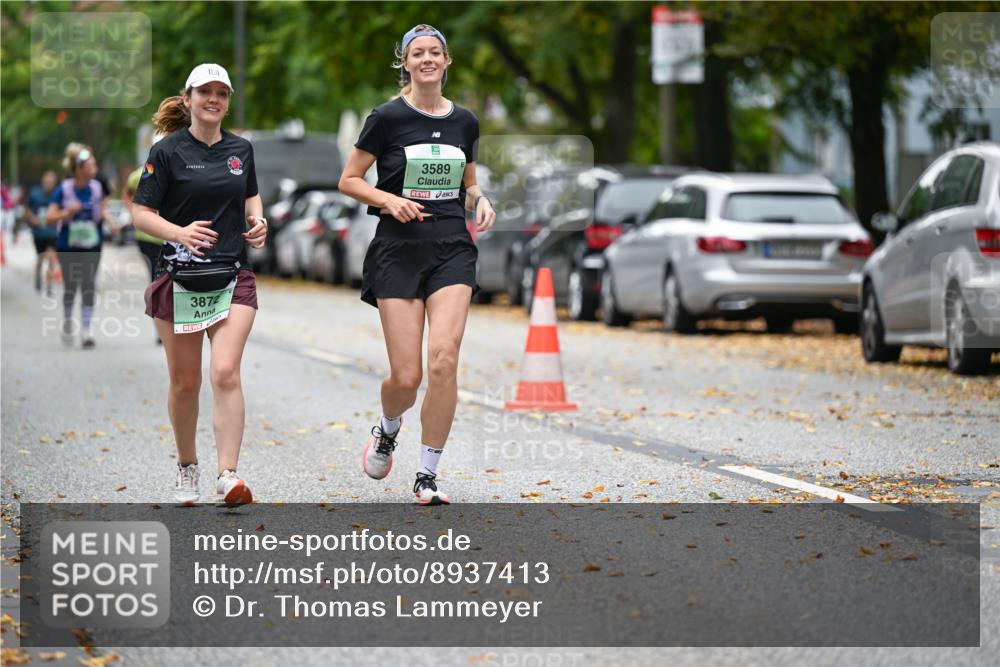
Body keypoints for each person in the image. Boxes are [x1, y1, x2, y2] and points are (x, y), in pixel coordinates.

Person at [339, 24, 496, 505]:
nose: (427, 59)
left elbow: (468, 182)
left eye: (435, 52)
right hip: (398, 250)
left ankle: (427, 474)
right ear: (405, 63)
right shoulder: (386, 118)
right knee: (406, 377)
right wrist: (389, 200)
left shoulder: (465, 121)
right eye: (417, 53)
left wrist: (480, 198)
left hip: (451, 249)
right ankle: (388, 428)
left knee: (443, 361)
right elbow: (349, 180)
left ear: (446, 61)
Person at [131, 63, 267, 506]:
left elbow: (250, 194)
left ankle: (228, 474)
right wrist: (180, 233)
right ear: (187, 98)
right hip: (179, 278)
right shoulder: (166, 151)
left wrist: (258, 220)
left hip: (232, 274)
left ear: (228, 101)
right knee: (185, 383)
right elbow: (141, 213)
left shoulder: (241, 149)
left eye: (221, 93)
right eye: (205, 92)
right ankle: (187, 466)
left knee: (225, 371)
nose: (213, 99)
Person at [46, 144, 105, 349]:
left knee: (88, 286)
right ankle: (68, 320)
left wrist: (110, 220)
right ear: (79, 169)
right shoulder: (63, 189)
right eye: (91, 165)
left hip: (92, 245)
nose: (95, 168)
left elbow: (102, 212)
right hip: (68, 246)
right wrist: (67, 212)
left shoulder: (97, 188)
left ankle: (86, 332)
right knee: (71, 286)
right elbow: (49, 217)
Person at [25, 170, 60, 296]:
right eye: (47, 181)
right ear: (43, 181)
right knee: (40, 258)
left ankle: (49, 285)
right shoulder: (35, 194)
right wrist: (33, 219)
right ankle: (38, 275)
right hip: (39, 232)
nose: (48, 184)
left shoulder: (58, 194)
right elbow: (27, 210)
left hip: (52, 232)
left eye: (51, 182)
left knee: (51, 257)